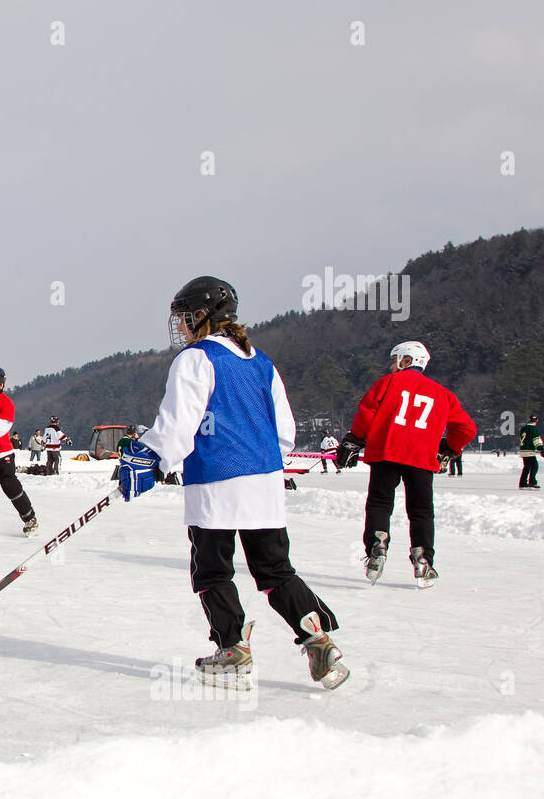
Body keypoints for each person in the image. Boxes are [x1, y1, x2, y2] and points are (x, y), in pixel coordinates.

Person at [125, 276, 348, 690]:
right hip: (264, 482)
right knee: (276, 570)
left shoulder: (195, 359)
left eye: (184, 318)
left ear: (201, 316)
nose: (181, 327)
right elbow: (284, 432)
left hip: (215, 483)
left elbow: (178, 425)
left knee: (212, 570)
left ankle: (233, 649)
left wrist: (150, 459)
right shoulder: (262, 362)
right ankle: (318, 638)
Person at [335, 341, 476, 588]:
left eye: (395, 359)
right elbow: (467, 428)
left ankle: (377, 545)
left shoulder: (388, 382)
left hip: (386, 454)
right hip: (422, 458)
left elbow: (367, 412)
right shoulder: (444, 394)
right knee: (421, 510)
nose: (392, 364)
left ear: (407, 360)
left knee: (380, 503)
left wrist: (354, 440)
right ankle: (423, 558)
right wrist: (449, 448)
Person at [0, 367, 38, 536]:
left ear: (1, 386)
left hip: (1, 455)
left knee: (10, 487)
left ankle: (30, 518)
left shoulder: (6, 405)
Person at [519, 415, 544, 489]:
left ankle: (522, 483)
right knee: (534, 466)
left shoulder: (523, 428)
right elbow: (536, 439)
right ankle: (532, 482)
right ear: (536, 421)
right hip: (529, 450)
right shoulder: (534, 428)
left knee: (527, 467)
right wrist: (541, 448)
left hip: (523, 450)